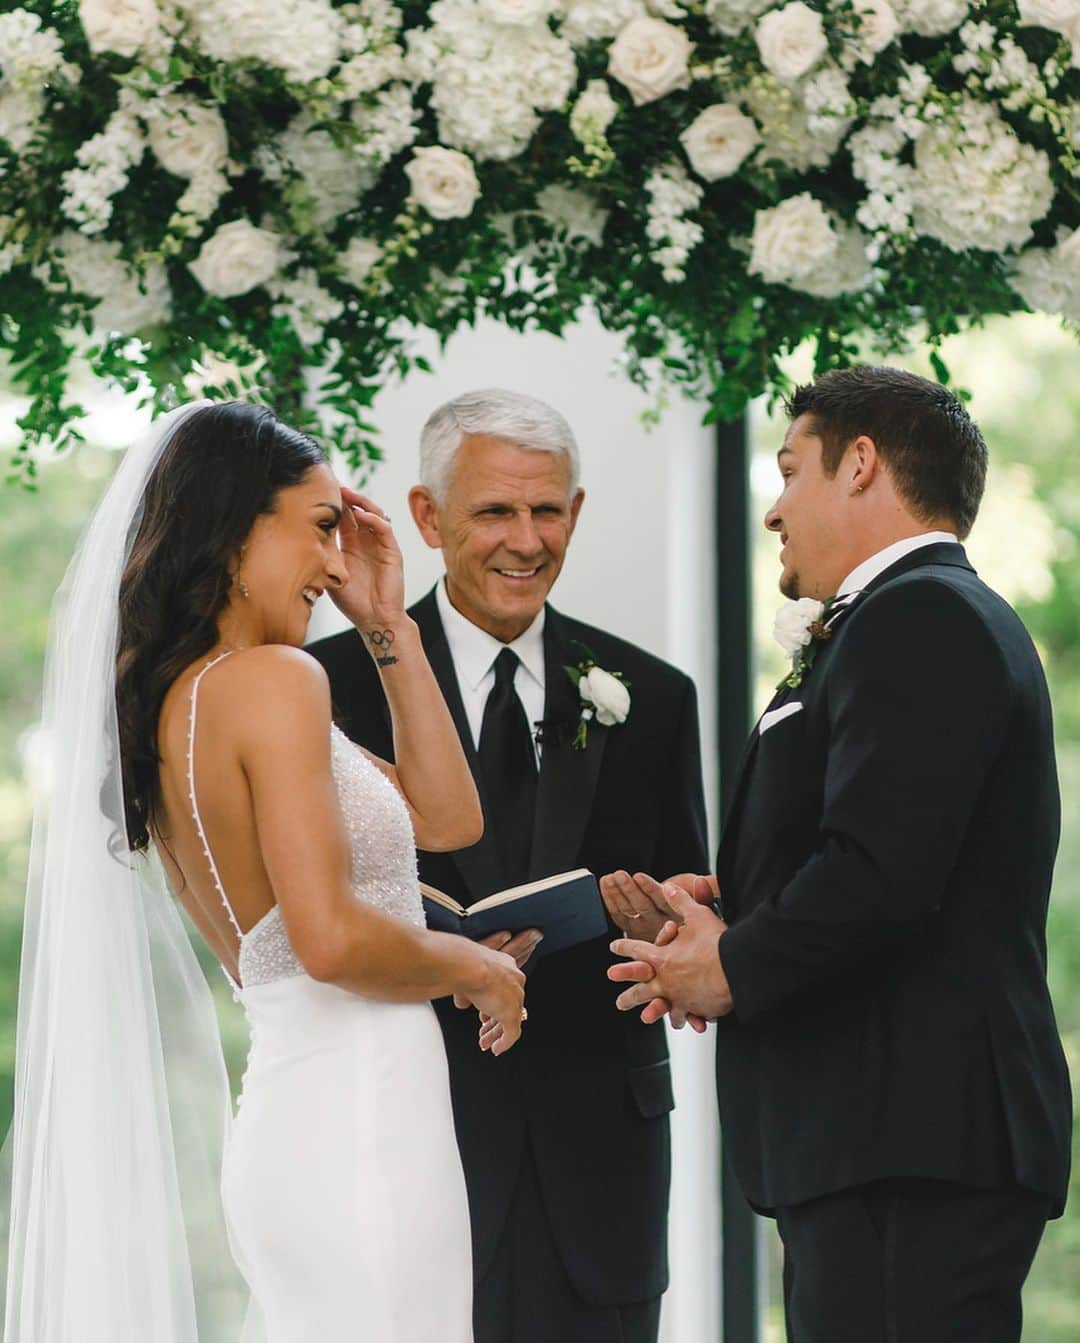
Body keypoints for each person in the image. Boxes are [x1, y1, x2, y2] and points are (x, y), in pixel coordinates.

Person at [4, 400, 525, 1342]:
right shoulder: (278, 683)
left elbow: (448, 818)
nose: (337, 563)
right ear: (235, 526)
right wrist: (482, 969)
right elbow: (326, 938)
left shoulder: (185, 700)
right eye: (322, 528)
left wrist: (386, 625)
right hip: (363, 1127)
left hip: (298, 1124)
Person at [607, 366, 1072, 1343]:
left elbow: (881, 873)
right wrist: (733, 897)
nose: (774, 511)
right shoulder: (898, 621)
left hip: (908, 1139)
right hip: (880, 1137)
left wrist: (730, 964)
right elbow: (900, 841)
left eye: (789, 472)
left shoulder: (923, 616)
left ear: (860, 463)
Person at [309, 388, 708, 1343]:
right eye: (495, 511)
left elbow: (689, 899)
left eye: (548, 510)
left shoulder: (652, 695)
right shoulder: (326, 688)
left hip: (599, 1155)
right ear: (428, 516)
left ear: (575, 512)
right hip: (410, 1131)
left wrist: (663, 929)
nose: (525, 539)